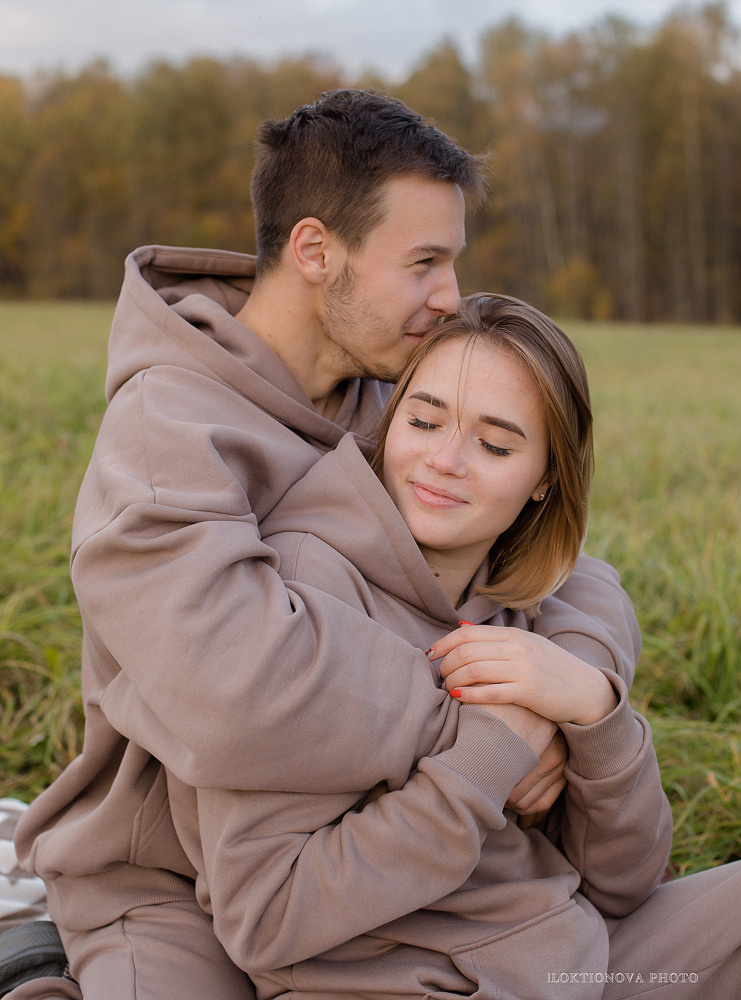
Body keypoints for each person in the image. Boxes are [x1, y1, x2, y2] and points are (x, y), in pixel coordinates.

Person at [4, 91, 642, 999]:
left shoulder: (389, 399)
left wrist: (568, 684)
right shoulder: (165, 431)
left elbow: (568, 563)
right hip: (163, 878)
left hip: (355, 857)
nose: (447, 296)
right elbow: (231, 685)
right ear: (315, 251)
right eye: (423, 262)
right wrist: (488, 728)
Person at [164, 293, 741, 999]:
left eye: (494, 445)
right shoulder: (302, 598)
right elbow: (267, 917)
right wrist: (490, 756)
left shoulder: (529, 609)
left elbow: (623, 884)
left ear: (546, 478)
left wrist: (595, 713)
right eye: (423, 421)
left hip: (573, 963)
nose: (443, 461)